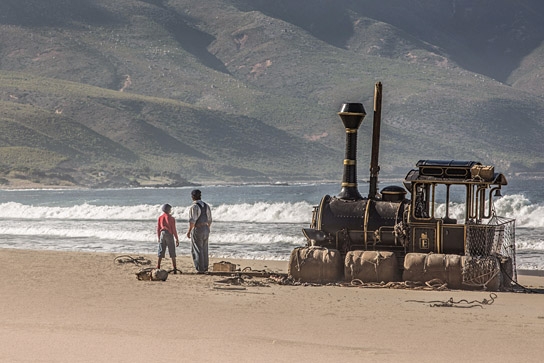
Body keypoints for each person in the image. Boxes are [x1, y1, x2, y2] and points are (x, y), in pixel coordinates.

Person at [186, 189, 212, 273]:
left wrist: (189, 231)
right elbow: (210, 219)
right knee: (205, 248)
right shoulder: (206, 205)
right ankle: (205, 267)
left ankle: (200, 269)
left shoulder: (194, 207)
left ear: (193, 197)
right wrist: (208, 228)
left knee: (197, 249)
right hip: (206, 228)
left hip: (198, 228)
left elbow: (192, 220)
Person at [156, 203, 180, 273]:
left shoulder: (160, 217)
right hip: (169, 234)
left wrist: (158, 237)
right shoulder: (171, 218)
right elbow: (173, 229)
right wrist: (177, 238)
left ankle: (158, 266)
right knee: (172, 250)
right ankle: (174, 267)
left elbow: (158, 228)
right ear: (169, 210)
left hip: (162, 233)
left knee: (161, 250)